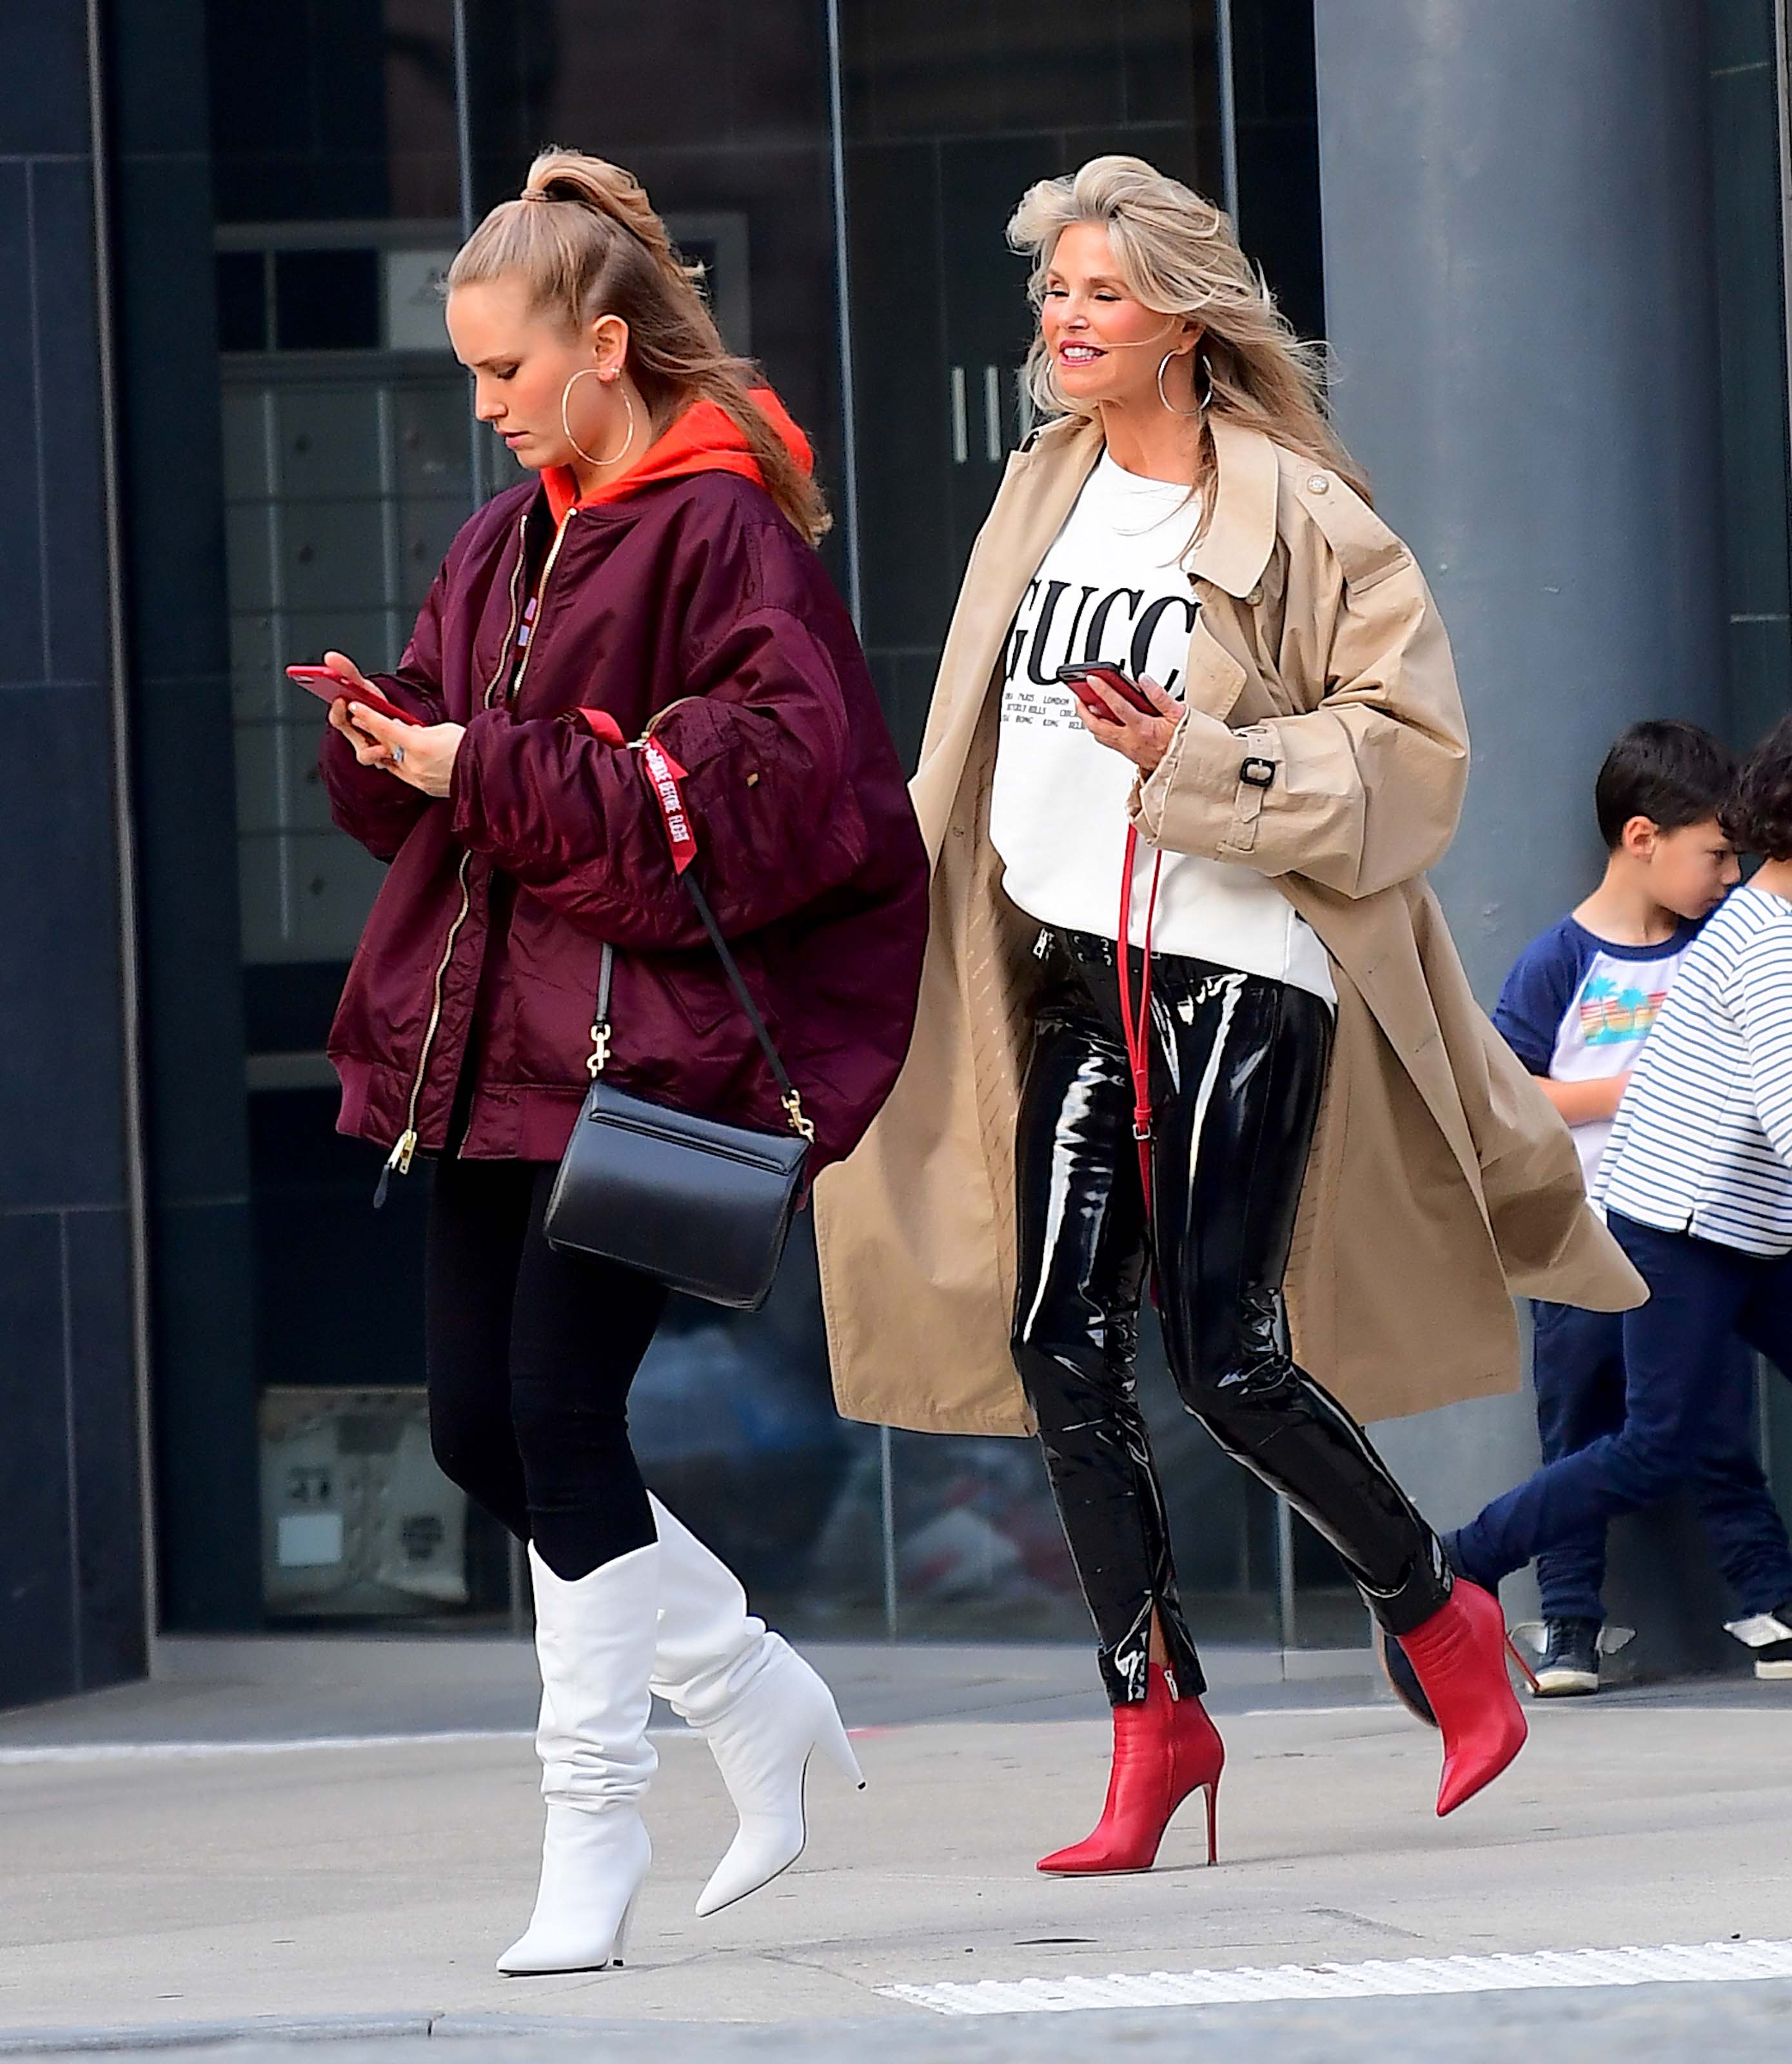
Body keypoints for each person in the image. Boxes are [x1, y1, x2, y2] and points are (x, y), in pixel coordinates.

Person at [814, 155, 1642, 1874]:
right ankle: (1152, 1717)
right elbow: (978, 725)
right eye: (1052, 292)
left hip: (1237, 970)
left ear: (1186, 318)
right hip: (1060, 965)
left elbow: (1411, 765)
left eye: (1099, 293)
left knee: (1226, 1356)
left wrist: (1190, 759)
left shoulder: (1303, 517)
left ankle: (1436, 1616)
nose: (1063, 320)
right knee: (1052, 1344)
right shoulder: (1037, 492)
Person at [315, 149, 928, 1974]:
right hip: (494, 1038)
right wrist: (389, 741)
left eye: (501, 373)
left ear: (599, 345)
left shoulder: (724, 526)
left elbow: (779, 801)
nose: (483, 409)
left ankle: (596, 1829)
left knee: (561, 1423)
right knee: (475, 1427)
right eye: (470, 377)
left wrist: (476, 770)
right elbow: (461, 760)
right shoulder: (509, 535)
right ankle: (748, 1694)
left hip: (640, 1056)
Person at [1444, 715, 1792, 1676]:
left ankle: (1770, 1600)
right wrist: (1636, 1090)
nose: (1725, 873)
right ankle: (1512, 1596)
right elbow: (1504, 1097)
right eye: (1713, 853)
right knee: (1619, 1437)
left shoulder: (1727, 932)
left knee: (1698, 1435)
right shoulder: (1577, 959)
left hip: (1729, 1225)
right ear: (1643, 838)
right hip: (1625, 1233)